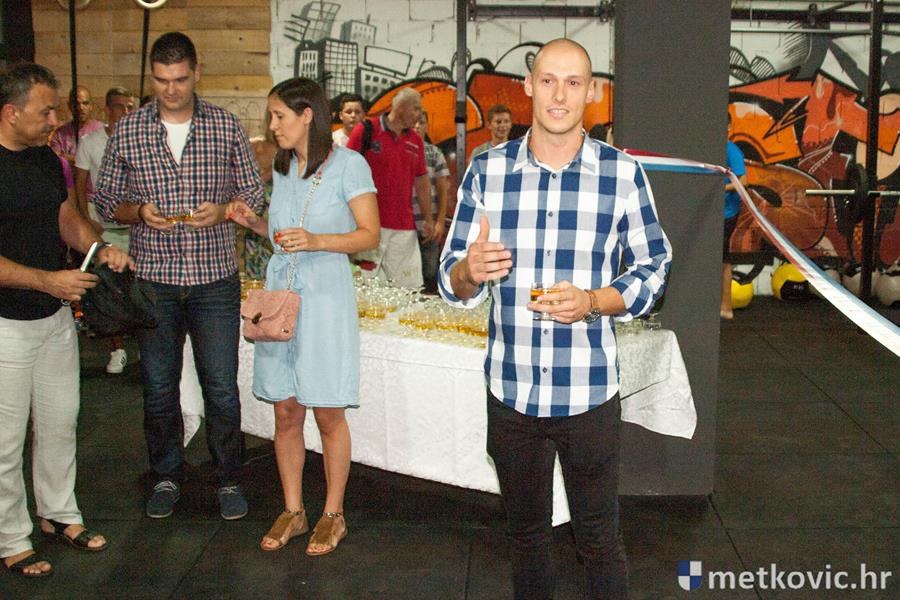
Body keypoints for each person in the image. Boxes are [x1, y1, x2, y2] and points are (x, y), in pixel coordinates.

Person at [439, 39, 672, 600]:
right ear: (528, 87)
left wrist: (594, 300)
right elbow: (450, 279)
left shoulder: (622, 174)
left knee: (599, 541)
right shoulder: (487, 170)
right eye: (548, 80)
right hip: (512, 392)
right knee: (525, 539)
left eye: (573, 83)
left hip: (588, 392)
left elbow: (655, 268)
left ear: (592, 92)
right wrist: (469, 270)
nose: (560, 95)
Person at [93, 32, 265, 521]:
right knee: (159, 387)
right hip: (154, 280)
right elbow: (106, 200)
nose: (171, 90)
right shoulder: (129, 131)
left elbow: (253, 193)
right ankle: (166, 474)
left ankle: (228, 477)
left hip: (214, 279)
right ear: (152, 76)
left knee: (222, 387)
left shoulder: (225, 126)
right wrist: (139, 212)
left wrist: (225, 211)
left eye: (180, 80)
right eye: (162, 80)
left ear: (196, 73)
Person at [228, 77, 379, 556]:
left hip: (326, 297)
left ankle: (333, 514)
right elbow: (283, 236)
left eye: (279, 116)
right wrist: (255, 223)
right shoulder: (283, 167)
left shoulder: (349, 165)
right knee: (286, 409)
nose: (272, 125)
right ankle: (293, 509)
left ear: (307, 115)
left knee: (328, 410)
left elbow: (369, 234)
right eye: (271, 116)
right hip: (282, 294)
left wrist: (317, 241)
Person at [0, 62, 131, 578]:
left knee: (60, 422)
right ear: (10, 113)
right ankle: (11, 537)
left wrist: (98, 248)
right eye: (45, 111)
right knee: (6, 439)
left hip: (53, 316)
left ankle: (57, 513)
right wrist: (46, 280)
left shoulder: (44, 158)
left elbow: (65, 217)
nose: (55, 120)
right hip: (6, 324)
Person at [74, 86, 135, 372]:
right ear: (108, 110)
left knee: (140, 287)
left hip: (137, 225)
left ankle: (146, 347)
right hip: (104, 226)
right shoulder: (90, 142)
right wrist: (86, 220)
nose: (126, 112)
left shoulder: (140, 140)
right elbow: (79, 183)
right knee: (110, 289)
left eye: (130, 107)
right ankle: (117, 348)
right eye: (121, 106)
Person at [347, 87, 433, 288]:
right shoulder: (366, 130)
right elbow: (344, 169)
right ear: (401, 107)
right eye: (416, 108)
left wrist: (428, 218)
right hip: (368, 224)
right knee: (365, 286)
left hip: (404, 227)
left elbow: (422, 181)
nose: (420, 114)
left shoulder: (416, 141)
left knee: (409, 288)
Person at [412, 110, 450, 293]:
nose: (417, 126)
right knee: (408, 276)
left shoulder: (434, 153)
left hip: (429, 226)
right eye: (414, 122)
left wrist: (440, 222)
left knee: (430, 273)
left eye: (421, 122)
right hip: (405, 227)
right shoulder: (403, 150)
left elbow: (443, 190)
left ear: (427, 126)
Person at [722, 114, 748, 320]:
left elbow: (744, 182)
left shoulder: (730, 150)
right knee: (717, 259)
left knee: (722, 260)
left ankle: (727, 307)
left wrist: (722, 188)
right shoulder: (712, 149)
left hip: (727, 213)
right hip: (716, 213)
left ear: (729, 126)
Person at [50, 84, 103, 168]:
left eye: (85, 103)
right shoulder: (59, 134)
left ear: (91, 106)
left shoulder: (102, 130)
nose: (81, 108)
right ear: (69, 106)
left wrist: (66, 157)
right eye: (76, 103)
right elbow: (54, 161)